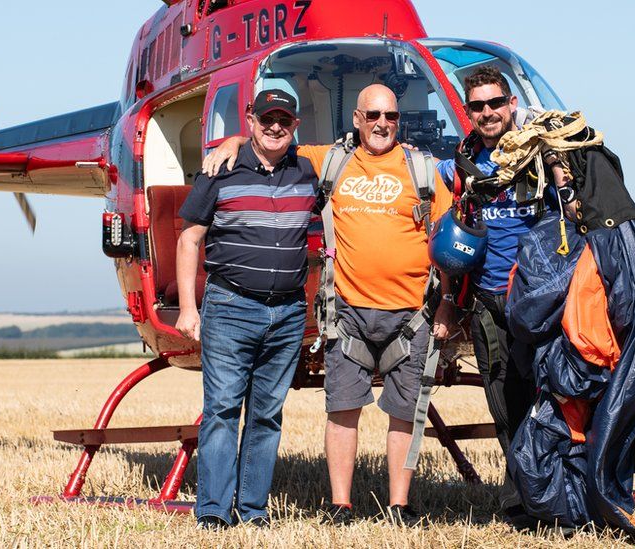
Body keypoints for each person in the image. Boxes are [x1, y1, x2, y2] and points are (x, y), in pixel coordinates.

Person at [203, 84, 454, 526]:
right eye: (372, 115)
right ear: (356, 119)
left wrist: (448, 305)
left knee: (405, 412)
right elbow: (274, 140)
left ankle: (399, 505)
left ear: (400, 121)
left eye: (391, 116)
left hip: (412, 313)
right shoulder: (331, 160)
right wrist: (235, 140)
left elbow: (449, 245)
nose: (382, 124)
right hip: (349, 312)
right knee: (341, 408)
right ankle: (341, 504)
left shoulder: (423, 169)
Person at [175, 89, 317, 530]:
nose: (275, 127)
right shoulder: (220, 169)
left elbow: (360, 153)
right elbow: (188, 240)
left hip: (289, 313)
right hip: (230, 306)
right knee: (221, 408)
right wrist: (187, 309)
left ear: (295, 126)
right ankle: (214, 511)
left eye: (285, 120)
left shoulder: (308, 170)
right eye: (267, 119)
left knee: (267, 414)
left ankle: (253, 511)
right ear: (251, 119)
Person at [434, 66, 544, 522]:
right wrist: (240, 142)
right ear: (468, 111)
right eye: (477, 105)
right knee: (504, 404)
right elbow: (395, 164)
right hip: (487, 302)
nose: (487, 112)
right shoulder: (461, 162)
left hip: (540, 299)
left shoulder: (541, 155)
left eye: (495, 103)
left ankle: (564, 490)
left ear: (512, 104)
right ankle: (522, 500)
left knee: (553, 399)